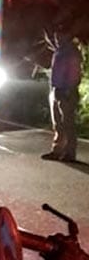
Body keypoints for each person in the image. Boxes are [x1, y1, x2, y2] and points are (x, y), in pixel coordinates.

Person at [41, 28, 82, 162]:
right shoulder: (59, 51)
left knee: (67, 123)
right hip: (56, 90)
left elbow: (74, 74)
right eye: (56, 37)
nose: (57, 39)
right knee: (58, 123)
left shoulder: (71, 52)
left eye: (60, 36)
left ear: (67, 36)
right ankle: (57, 150)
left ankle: (70, 153)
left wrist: (68, 90)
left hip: (66, 91)